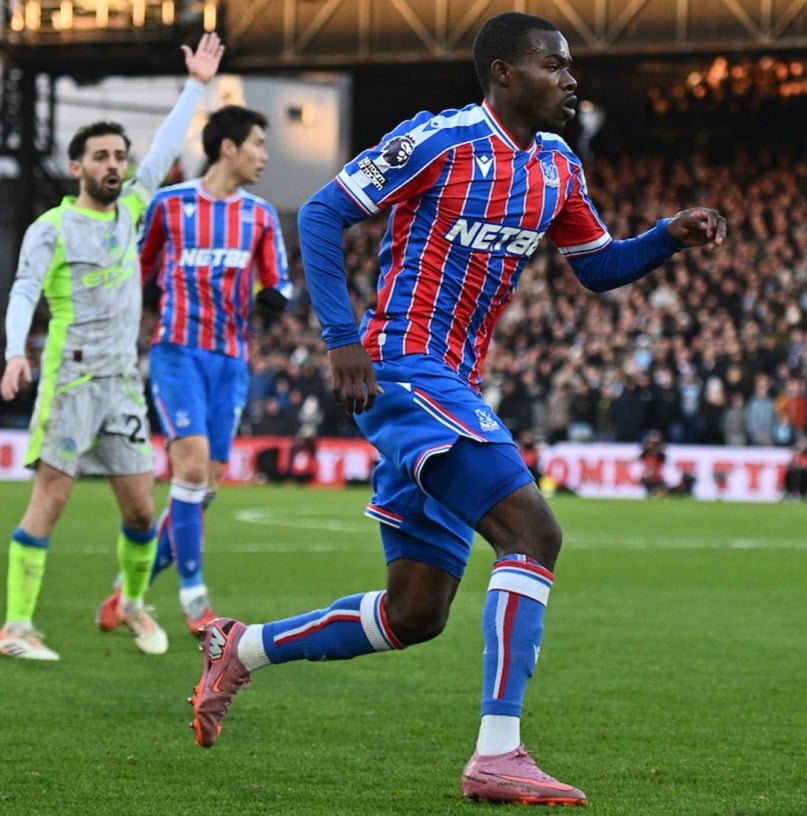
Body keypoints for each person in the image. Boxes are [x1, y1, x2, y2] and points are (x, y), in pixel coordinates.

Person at [186, 11, 726, 806]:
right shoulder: (439, 139)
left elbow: (598, 267)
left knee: (415, 613)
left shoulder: (557, 169)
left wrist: (666, 237)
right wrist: (342, 339)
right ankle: (498, 754)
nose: (571, 79)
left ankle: (246, 647)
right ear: (504, 73)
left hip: (455, 382)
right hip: (402, 367)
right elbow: (331, 212)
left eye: (570, 67)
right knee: (533, 530)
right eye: (554, 64)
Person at [0, 34, 225, 660]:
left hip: (124, 381)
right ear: (77, 167)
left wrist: (196, 87)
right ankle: (16, 627)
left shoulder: (130, 209)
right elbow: (22, 292)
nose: (114, 165)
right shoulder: (52, 227)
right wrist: (15, 351)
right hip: (71, 378)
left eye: (118, 156)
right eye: (100, 156)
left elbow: (163, 150)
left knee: (138, 508)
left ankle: (130, 604)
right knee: (54, 496)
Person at [98, 103, 292, 636]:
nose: (265, 155)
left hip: (230, 362)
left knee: (203, 486)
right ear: (228, 147)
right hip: (178, 351)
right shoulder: (168, 205)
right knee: (189, 471)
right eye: (257, 143)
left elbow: (278, 279)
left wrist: (276, 293)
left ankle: (124, 593)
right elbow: (136, 270)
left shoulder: (260, 216)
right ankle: (195, 599)